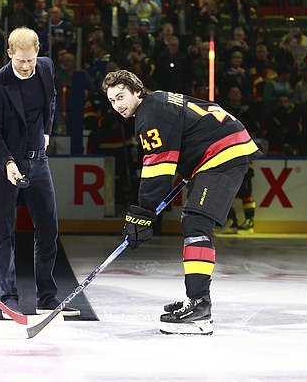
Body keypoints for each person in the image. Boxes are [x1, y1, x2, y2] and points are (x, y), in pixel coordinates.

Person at [102, 70, 262, 335]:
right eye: (112, 100)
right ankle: (196, 300)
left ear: (137, 91)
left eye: (121, 96)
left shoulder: (150, 115)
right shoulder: (158, 102)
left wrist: (142, 212)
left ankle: (199, 308)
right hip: (220, 150)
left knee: (196, 223)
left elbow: (158, 167)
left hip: (222, 154)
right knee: (193, 222)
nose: (118, 105)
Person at [0, 27, 80, 319]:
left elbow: (50, 100)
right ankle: (8, 298)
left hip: (38, 161)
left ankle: (47, 297)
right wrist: (9, 163)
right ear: (9, 53)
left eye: (30, 60)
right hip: (3, 164)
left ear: (38, 52)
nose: (26, 66)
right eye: (20, 60)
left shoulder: (46, 67)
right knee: (2, 233)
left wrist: (47, 131)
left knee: (49, 229)